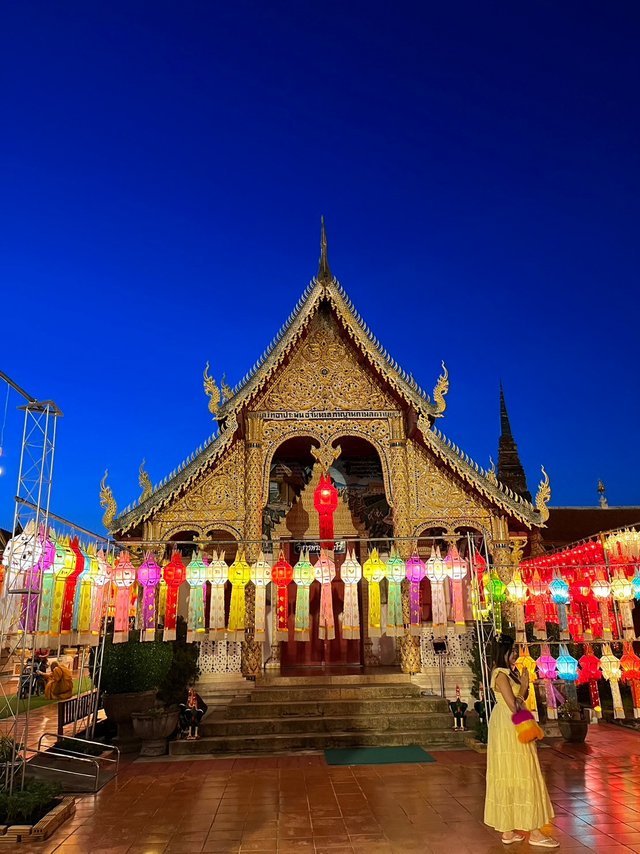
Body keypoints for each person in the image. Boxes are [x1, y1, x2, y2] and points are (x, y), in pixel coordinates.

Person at [484, 635, 558, 848]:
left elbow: (518, 699)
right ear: (503, 653)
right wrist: (523, 686)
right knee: (522, 770)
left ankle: (508, 831)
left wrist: (523, 685)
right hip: (510, 726)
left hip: (509, 723)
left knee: (513, 771)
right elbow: (513, 705)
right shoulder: (500, 674)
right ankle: (534, 832)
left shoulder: (509, 673)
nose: (515, 654)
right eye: (511, 651)